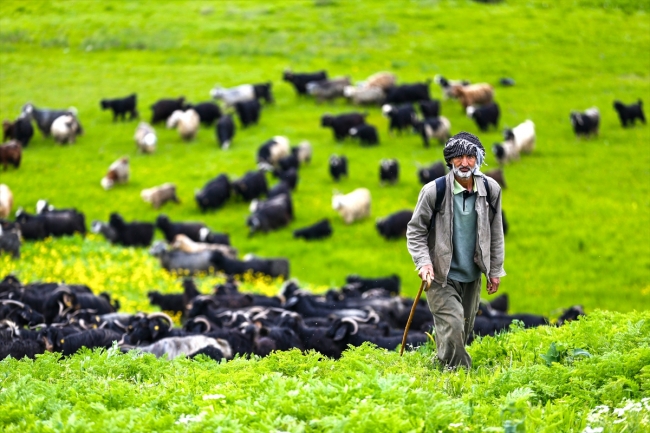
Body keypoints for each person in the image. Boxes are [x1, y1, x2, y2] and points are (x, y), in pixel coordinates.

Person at [406, 131, 505, 369]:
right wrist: (424, 263)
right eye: (458, 157)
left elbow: (496, 233)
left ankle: (440, 369)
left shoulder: (491, 190)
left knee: (463, 332)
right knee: (453, 326)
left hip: (472, 275)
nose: (464, 163)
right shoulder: (434, 191)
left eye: (470, 156)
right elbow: (415, 231)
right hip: (440, 276)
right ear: (450, 160)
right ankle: (461, 380)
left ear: (477, 159)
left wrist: (495, 270)